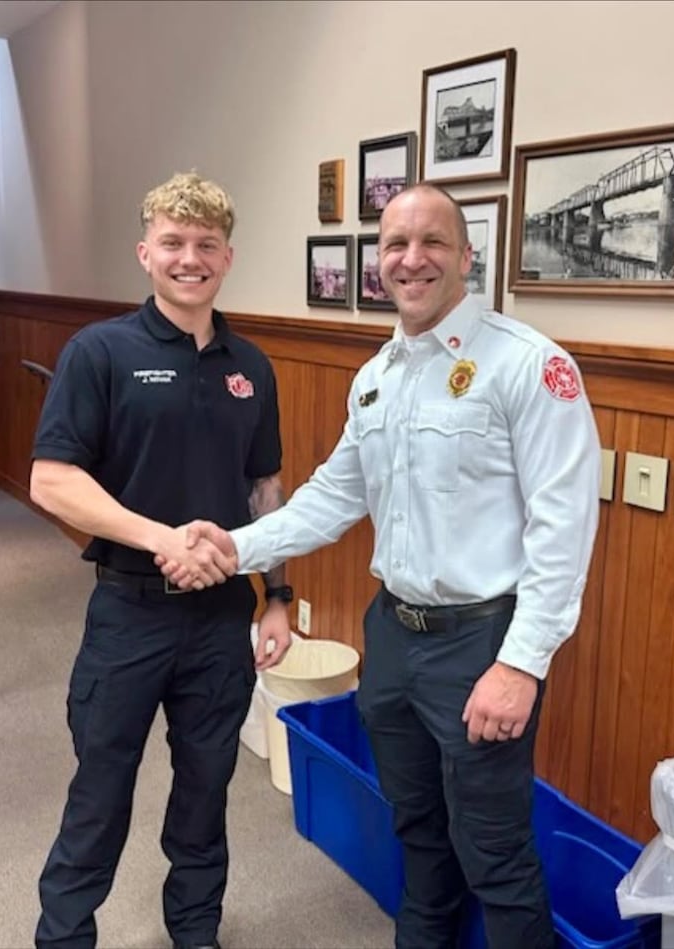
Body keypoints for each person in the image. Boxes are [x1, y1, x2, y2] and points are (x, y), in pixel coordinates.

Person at [160, 184, 602, 949]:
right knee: (419, 834)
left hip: (480, 645)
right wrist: (237, 547)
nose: (411, 258)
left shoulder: (529, 366)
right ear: (378, 265)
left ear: (466, 256)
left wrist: (522, 664)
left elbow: (563, 532)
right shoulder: (379, 377)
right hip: (393, 637)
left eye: (432, 242)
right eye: (395, 245)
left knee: (494, 853)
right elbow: (332, 495)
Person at [29, 171, 292, 949]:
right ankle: (65, 937)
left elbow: (265, 485)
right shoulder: (100, 352)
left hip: (219, 621)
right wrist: (161, 538)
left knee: (206, 794)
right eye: (173, 243)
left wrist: (277, 594)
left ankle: (196, 931)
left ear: (228, 257)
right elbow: (53, 479)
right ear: (145, 252)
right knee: (99, 796)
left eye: (206, 244)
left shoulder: (253, 366)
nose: (190, 258)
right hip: (129, 612)